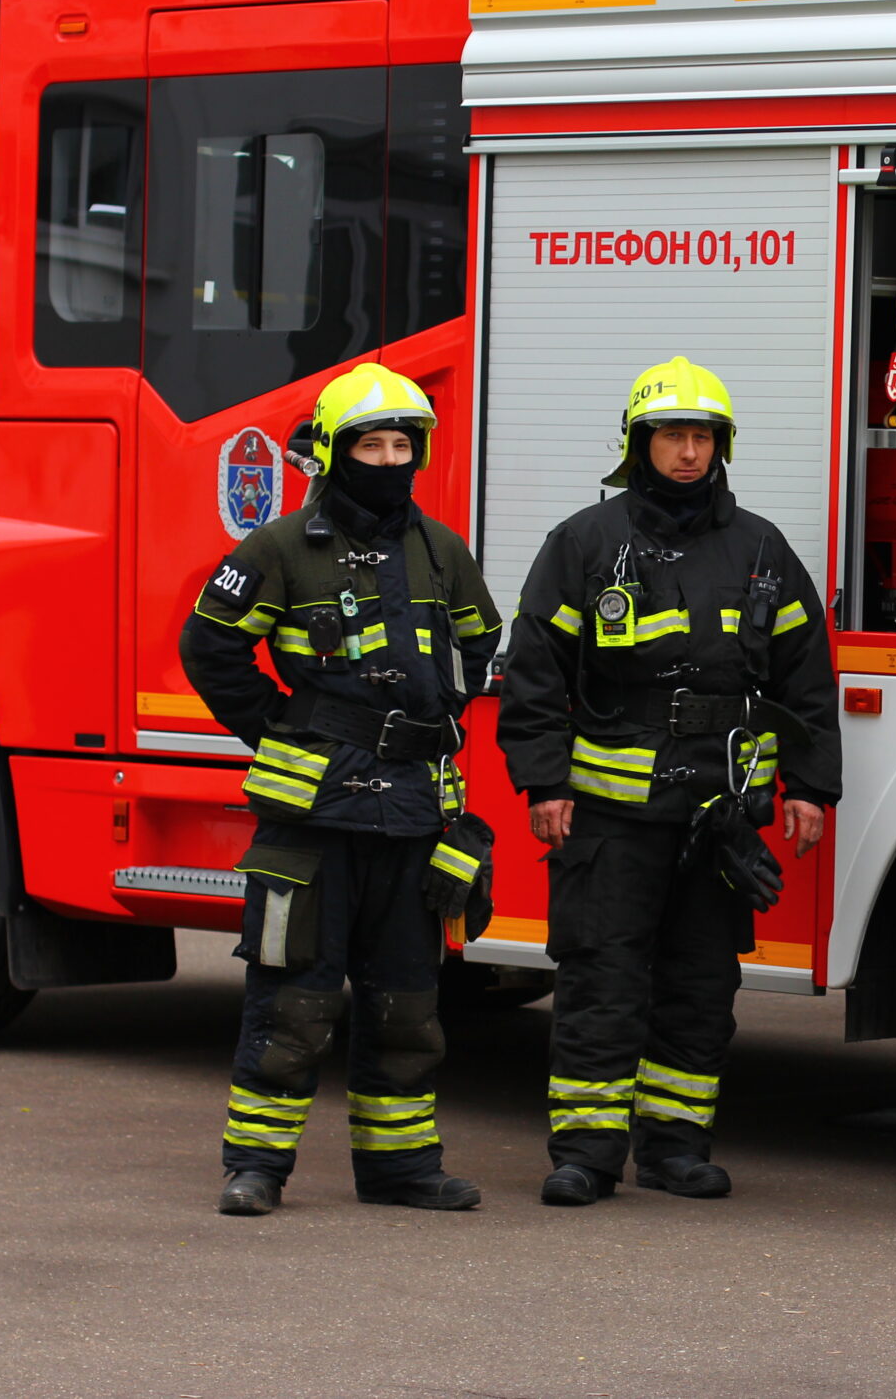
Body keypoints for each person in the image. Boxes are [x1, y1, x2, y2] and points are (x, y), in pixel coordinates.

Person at [499, 355, 841, 1207]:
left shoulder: (761, 548)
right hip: (612, 814)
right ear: (637, 443)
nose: (687, 453)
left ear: (722, 445)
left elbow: (807, 676)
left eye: (702, 437)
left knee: (699, 986)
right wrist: (544, 782)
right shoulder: (585, 542)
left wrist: (808, 786)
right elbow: (535, 671)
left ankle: (677, 1147)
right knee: (600, 980)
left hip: (717, 817)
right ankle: (585, 1152)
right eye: (670, 436)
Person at [182, 362, 503, 1217]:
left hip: (412, 819)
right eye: (372, 442)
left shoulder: (441, 549)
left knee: (407, 1004)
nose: (390, 458)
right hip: (312, 818)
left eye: (403, 444)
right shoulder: (281, 547)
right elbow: (208, 645)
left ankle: (400, 1168)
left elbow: (482, 641)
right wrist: (282, 727)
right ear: (334, 451)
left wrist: (445, 716)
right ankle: (256, 1166)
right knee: (294, 1000)